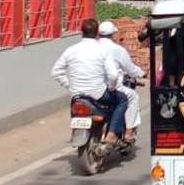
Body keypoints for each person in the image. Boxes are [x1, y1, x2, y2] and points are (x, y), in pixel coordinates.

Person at [51, 18, 127, 147]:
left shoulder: (71, 50)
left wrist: (70, 85)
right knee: (122, 100)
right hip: (98, 94)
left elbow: (56, 71)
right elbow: (113, 75)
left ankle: (77, 132)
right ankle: (111, 134)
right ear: (97, 33)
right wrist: (111, 87)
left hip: (77, 95)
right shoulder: (102, 50)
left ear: (82, 32)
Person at [98, 20, 145, 142]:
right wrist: (142, 73)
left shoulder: (93, 48)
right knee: (132, 96)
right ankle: (129, 132)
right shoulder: (117, 50)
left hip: (94, 87)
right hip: (113, 87)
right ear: (113, 34)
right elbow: (130, 69)